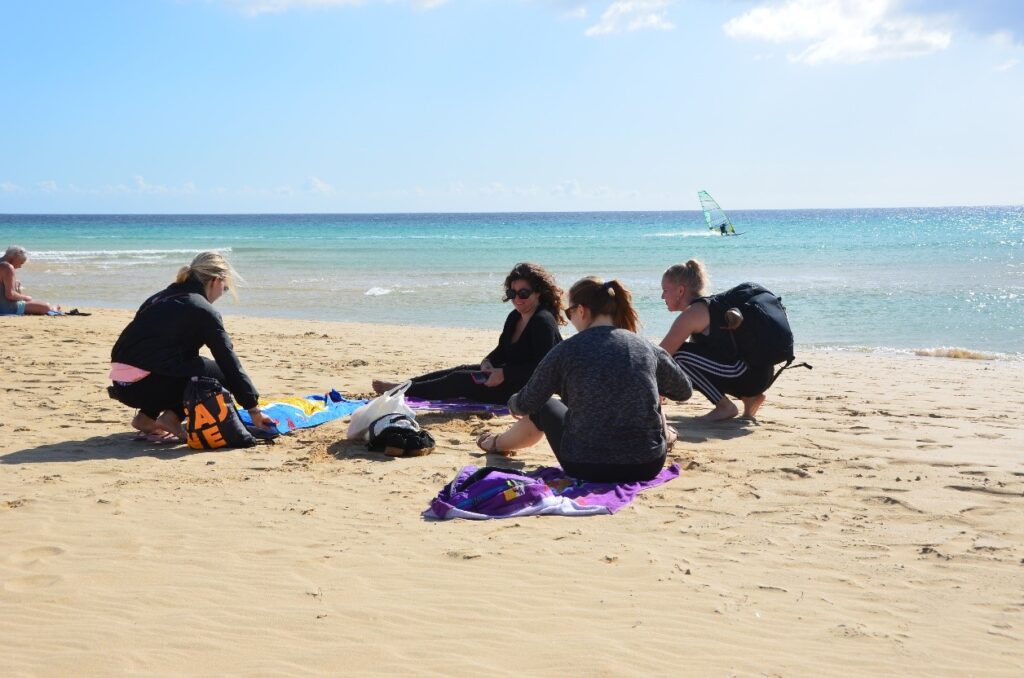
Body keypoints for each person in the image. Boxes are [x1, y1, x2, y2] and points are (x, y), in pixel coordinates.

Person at [476, 277, 692, 483]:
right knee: (652, 398)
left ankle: (497, 443)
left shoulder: (566, 350)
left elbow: (526, 403)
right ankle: (667, 435)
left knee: (547, 405)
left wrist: (513, 402)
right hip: (647, 464)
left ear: (581, 310)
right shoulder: (645, 347)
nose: (570, 319)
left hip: (585, 465)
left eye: (569, 313)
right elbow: (684, 391)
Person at [108, 252, 276, 443]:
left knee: (183, 361)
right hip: (147, 388)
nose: (224, 292)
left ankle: (146, 418)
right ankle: (170, 418)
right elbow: (228, 360)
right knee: (216, 372)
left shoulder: (159, 298)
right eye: (226, 287)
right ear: (215, 280)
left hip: (122, 387)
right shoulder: (202, 309)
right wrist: (253, 409)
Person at [372, 262, 565, 404]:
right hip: (507, 377)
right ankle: (402, 386)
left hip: (526, 390)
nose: (517, 299)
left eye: (523, 293)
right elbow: (502, 351)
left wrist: (504, 373)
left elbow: (544, 369)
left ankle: (400, 391)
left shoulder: (542, 321)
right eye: (513, 294)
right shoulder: (515, 317)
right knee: (461, 369)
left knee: (459, 380)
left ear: (538, 292)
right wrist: (488, 361)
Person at [659, 259, 773, 421]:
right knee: (685, 359)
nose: (662, 296)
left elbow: (660, 356)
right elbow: (698, 363)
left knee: (678, 356)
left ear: (680, 291)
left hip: (747, 373)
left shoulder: (692, 314)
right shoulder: (708, 306)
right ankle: (750, 399)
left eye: (665, 290)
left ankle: (725, 407)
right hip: (760, 373)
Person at [1, 246, 61, 316]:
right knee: (46, 306)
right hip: (7, 308)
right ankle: (53, 308)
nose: (20, 266)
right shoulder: (7, 267)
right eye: (21, 263)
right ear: (16, 256)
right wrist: (26, 298)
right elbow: (10, 295)